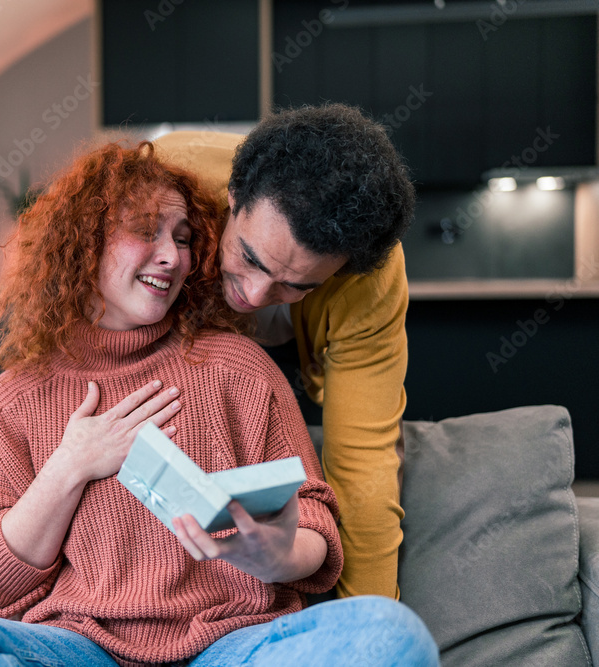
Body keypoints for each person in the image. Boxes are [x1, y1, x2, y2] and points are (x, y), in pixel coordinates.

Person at [0, 141, 438, 666]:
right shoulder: (17, 397)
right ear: (85, 237)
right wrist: (69, 465)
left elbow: (319, 519)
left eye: (184, 239)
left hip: (231, 646)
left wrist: (279, 557)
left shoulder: (241, 369)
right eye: (147, 230)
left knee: (390, 634)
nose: (172, 255)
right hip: (78, 648)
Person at [153, 104, 415, 599]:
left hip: (297, 355)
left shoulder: (370, 277)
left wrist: (364, 629)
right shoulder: (170, 177)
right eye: (249, 257)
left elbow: (364, 465)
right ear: (233, 197)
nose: (252, 295)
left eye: (295, 284)